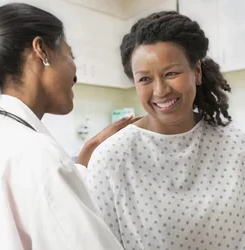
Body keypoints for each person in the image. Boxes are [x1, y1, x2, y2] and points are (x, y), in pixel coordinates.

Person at [85, 11, 245, 250]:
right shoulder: (111, 159)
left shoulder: (236, 144)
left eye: (171, 73)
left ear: (197, 72)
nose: (160, 91)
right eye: (145, 79)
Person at [0, 3, 139, 250]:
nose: (75, 74)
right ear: (41, 50)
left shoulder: (8, 137)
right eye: (71, 55)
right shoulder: (36, 153)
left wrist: (84, 157)